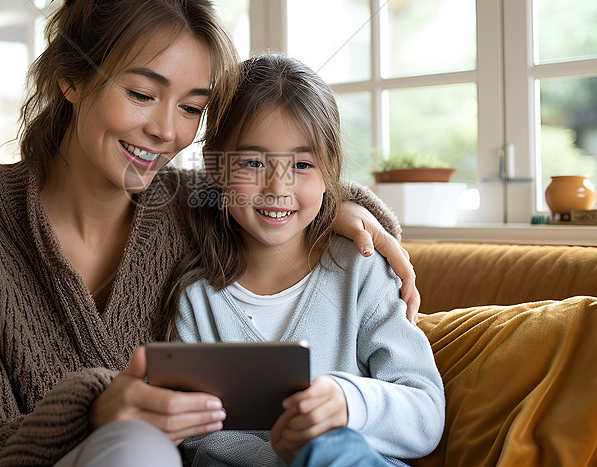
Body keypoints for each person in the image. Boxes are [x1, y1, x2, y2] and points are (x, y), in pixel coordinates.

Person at [0, 0, 419, 467]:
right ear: (71, 78)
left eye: (192, 107)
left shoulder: (186, 205)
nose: (167, 131)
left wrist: (344, 209)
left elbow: (269, 191)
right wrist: (94, 410)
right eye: (142, 94)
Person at [160, 54, 445, 467]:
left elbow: (425, 414)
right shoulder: (196, 302)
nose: (279, 186)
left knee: (333, 449)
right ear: (215, 168)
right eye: (254, 162)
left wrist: (348, 404)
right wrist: (283, 455)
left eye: (302, 164)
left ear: (331, 174)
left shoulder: (360, 271)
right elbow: (197, 436)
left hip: (347, 460)